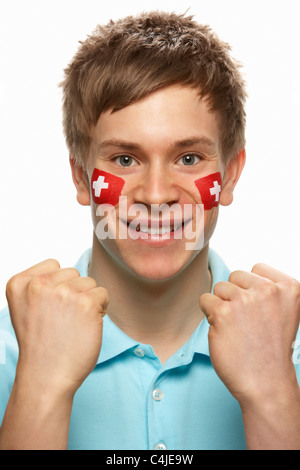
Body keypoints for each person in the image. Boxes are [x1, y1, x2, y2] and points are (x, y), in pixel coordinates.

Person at [0, 11, 299, 451]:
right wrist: (41, 390)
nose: (156, 196)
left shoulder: (288, 348)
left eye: (189, 158)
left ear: (231, 176)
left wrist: (272, 395)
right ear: (81, 179)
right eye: (125, 159)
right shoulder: (10, 349)